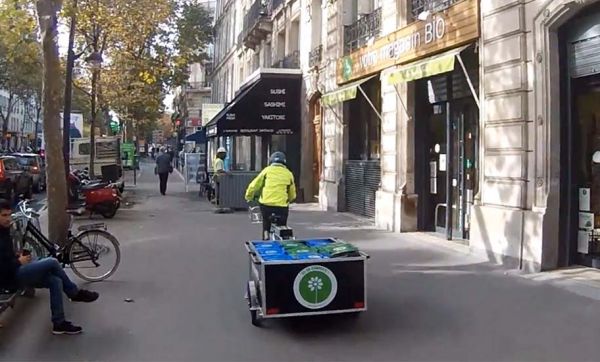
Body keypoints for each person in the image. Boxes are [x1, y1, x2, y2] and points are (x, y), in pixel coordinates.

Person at [0, 199, 99, 335]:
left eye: (9, 215)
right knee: (52, 262)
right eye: (4, 215)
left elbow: (6, 257)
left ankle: (59, 323)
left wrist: (18, 257)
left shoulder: (4, 231)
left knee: (55, 281)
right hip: (8, 279)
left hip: (16, 271)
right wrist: (19, 262)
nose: (8, 219)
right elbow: (3, 267)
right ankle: (74, 293)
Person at [245, 152, 296, 240]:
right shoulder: (288, 174)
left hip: (266, 205)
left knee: (266, 221)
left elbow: (253, 186)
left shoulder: (266, 171)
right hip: (281, 206)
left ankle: (266, 234)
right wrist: (289, 200)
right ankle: (283, 237)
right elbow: (292, 194)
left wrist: (248, 197)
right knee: (282, 226)